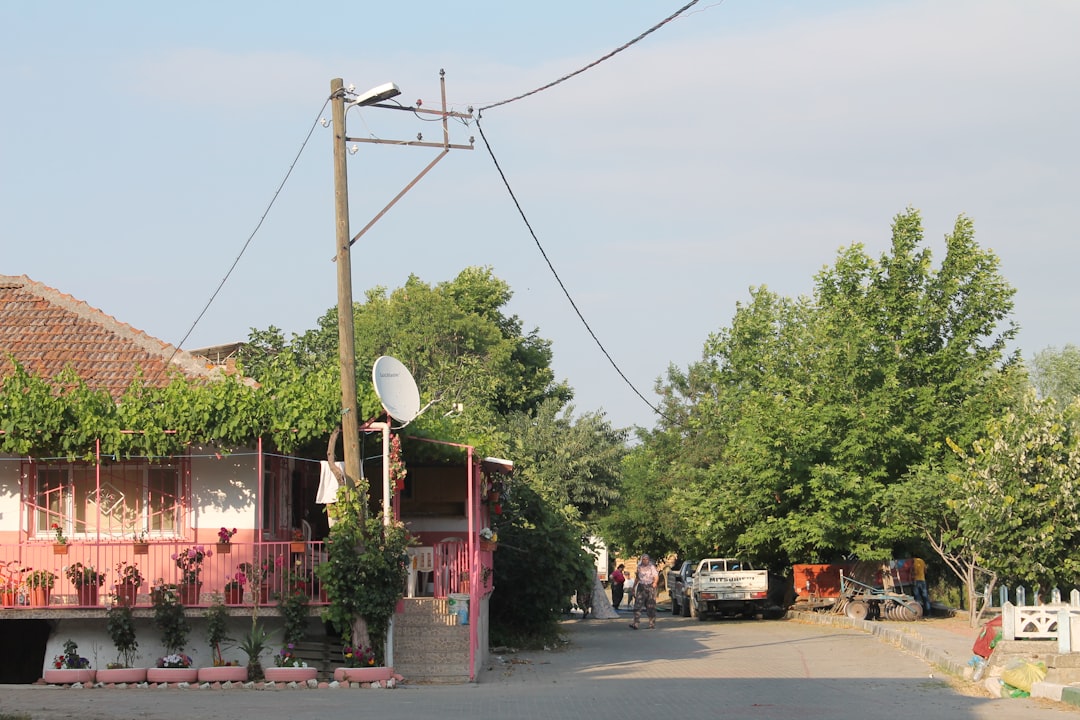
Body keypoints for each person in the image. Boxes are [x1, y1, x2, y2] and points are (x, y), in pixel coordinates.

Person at [629, 554, 659, 630]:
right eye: (643, 559)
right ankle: (636, 623)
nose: (645, 561)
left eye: (646, 559)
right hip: (641, 587)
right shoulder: (639, 567)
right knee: (637, 605)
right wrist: (633, 587)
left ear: (648, 560)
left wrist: (655, 582)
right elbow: (637, 578)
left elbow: (656, 576)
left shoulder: (652, 567)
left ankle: (651, 623)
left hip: (650, 587)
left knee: (650, 606)